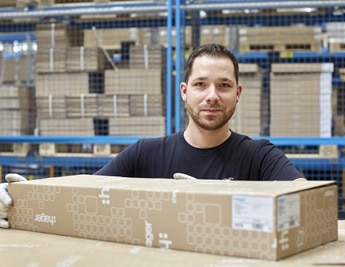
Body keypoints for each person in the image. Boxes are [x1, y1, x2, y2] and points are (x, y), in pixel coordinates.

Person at [0, 43, 306, 229]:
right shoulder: (145, 154)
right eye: (201, 84)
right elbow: (84, 191)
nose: (212, 96)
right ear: (185, 92)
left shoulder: (260, 156)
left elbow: (306, 201)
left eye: (224, 85)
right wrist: (23, 197)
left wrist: (224, 202)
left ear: (238, 93)